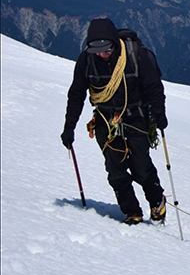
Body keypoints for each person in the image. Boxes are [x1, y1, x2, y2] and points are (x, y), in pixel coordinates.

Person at [61, 18, 168, 225]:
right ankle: (132, 211)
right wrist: (69, 127)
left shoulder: (136, 56)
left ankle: (157, 200)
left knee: (141, 167)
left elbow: (154, 87)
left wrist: (158, 113)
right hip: (105, 119)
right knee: (115, 169)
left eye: (107, 49)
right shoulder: (86, 61)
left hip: (135, 116)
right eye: (97, 50)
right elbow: (76, 94)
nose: (103, 54)